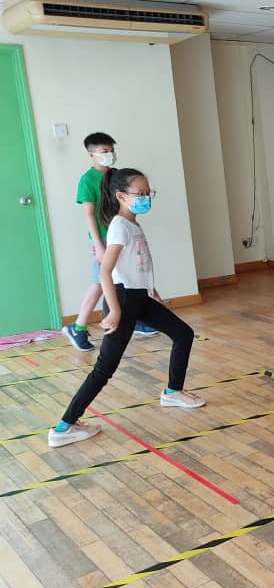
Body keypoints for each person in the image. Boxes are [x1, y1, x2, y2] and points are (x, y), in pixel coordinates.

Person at [48, 168, 203, 448]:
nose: (145, 198)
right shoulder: (119, 226)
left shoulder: (132, 224)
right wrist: (115, 310)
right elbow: (105, 271)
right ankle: (64, 426)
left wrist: (152, 291)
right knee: (105, 368)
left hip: (139, 297)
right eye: (139, 193)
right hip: (123, 300)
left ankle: (173, 391)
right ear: (121, 196)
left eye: (148, 193)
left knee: (183, 334)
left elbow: (136, 266)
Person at [64, 133, 157, 352]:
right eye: (104, 151)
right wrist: (98, 244)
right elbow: (89, 213)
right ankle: (78, 327)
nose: (109, 155)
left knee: (132, 274)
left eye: (111, 150)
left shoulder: (116, 176)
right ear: (91, 154)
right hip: (107, 238)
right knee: (100, 281)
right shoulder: (87, 180)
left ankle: (136, 317)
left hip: (121, 233)